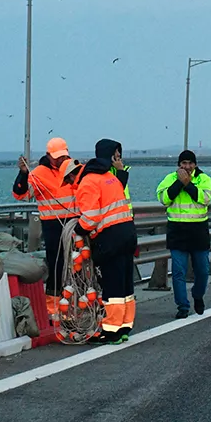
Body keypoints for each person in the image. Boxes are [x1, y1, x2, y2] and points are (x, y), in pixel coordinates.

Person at [76, 139, 138, 343]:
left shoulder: (88, 181)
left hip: (110, 238)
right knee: (125, 285)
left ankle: (111, 331)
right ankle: (124, 327)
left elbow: (91, 217)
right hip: (128, 233)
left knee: (112, 285)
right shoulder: (110, 179)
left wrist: (79, 228)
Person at [12, 137, 79, 319]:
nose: (60, 160)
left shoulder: (74, 168)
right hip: (53, 225)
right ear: (49, 155)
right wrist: (23, 174)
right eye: (57, 157)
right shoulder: (39, 173)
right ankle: (54, 309)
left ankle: (77, 305)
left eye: (63, 156)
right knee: (57, 265)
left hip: (75, 223)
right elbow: (21, 194)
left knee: (78, 265)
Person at [157, 150, 211, 319]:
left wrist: (188, 183)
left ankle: (197, 295)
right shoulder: (170, 179)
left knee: (203, 271)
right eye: (184, 163)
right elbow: (164, 199)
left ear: (195, 164)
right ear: (179, 165)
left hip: (199, 231)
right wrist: (179, 183)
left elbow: (204, 199)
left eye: (190, 163)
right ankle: (182, 306)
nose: (187, 167)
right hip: (177, 231)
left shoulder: (204, 179)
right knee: (178, 271)